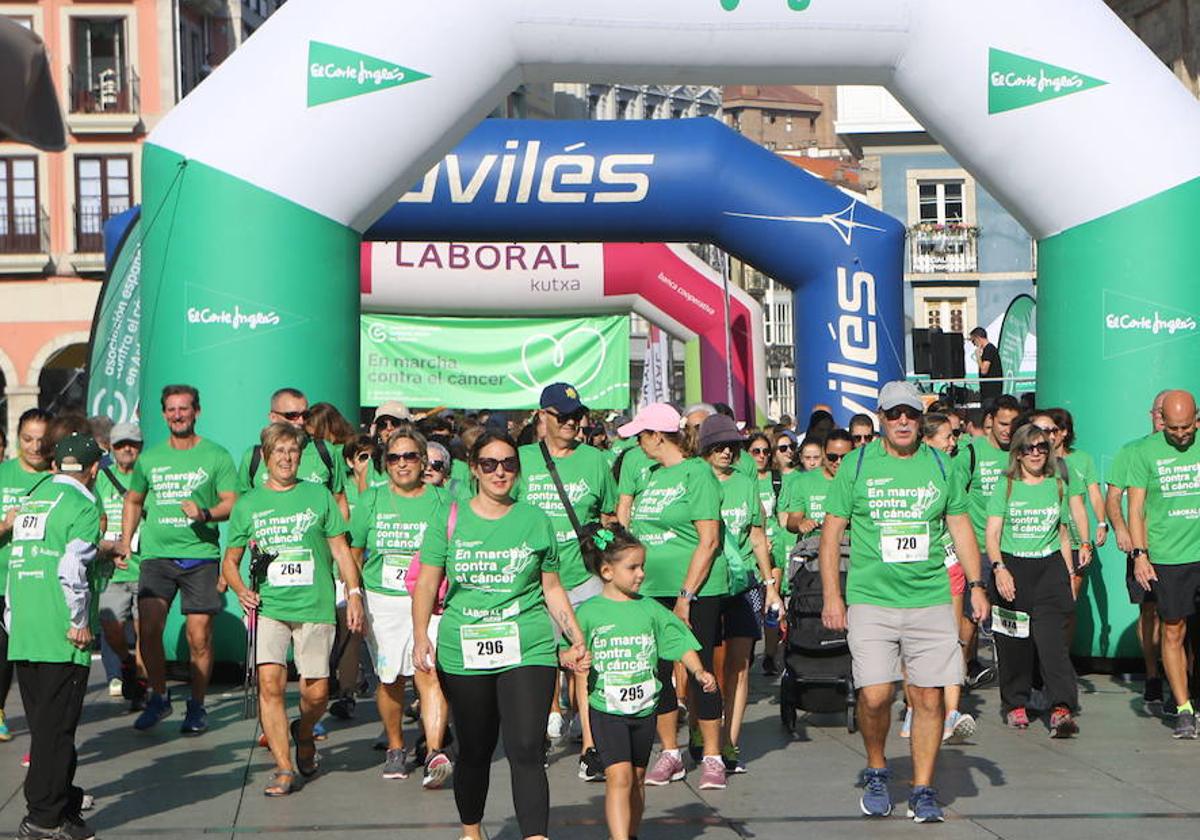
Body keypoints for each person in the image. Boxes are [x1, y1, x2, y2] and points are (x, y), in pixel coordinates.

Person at [819, 381, 989, 823]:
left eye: (910, 414)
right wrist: (832, 596)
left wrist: (976, 584)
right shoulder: (855, 466)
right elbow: (832, 532)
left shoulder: (939, 463)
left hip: (929, 597)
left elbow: (960, 525)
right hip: (871, 599)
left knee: (928, 698)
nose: (902, 421)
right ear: (880, 417)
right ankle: (877, 769)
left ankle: (922, 789)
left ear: (920, 418)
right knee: (875, 695)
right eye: (893, 414)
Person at [411, 431, 589, 840]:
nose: (499, 471)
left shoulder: (534, 519)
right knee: (475, 748)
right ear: (473, 469)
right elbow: (427, 583)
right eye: (489, 464)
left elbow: (552, 588)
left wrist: (574, 637)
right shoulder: (448, 517)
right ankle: (471, 830)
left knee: (527, 747)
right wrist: (421, 635)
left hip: (527, 643)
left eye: (508, 463)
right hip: (464, 646)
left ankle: (535, 836)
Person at [223, 423, 365, 796]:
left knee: (316, 692)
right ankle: (284, 768)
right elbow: (230, 559)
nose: (286, 458)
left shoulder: (317, 496)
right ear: (266, 457)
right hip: (268, 606)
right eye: (279, 451)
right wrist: (239, 590)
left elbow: (340, 549)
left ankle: (303, 734)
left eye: (292, 451)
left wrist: (353, 593)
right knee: (270, 686)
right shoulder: (249, 503)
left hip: (314, 605)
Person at [571, 522, 717, 840]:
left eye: (642, 567)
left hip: (643, 709)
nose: (641, 574)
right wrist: (573, 658)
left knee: (636, 778)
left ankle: (630, 834)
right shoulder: (590, 612)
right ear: (607, 571)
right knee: (619, 777)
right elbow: (568, 650)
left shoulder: (649, 609)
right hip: (606, 708)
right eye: (633, 567)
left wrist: (698, 671)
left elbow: (679, 639)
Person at [615, 404, 725, 790]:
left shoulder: (697, 474)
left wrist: (685, 596)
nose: (638, 444)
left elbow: (708, 541)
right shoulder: (649, 474)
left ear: (658, 436)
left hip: (694, 591)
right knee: (657, 672)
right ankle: (670, 752)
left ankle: (713, 755)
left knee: (700, 669)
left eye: (641, 436)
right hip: (649, 590)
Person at [118, 384, 238, 734]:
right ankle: (159, 696)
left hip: (199, 557)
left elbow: (231, 502)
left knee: (199, 637)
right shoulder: (150, 458)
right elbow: (133, 500)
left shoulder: (216, 455)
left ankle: (197, 705)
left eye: (183, 409)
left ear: (196, 412)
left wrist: (205, 513)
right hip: (157, 557)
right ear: (163, 414)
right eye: (171, 409)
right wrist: (127, 541)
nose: (177, 415)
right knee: (149, 631)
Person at [514, 383, 617, 777]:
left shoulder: (594, 460)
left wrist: (603, 553)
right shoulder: (521, 459)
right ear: (543, 417)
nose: (573, 423)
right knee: (540, 666)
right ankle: (538, 734)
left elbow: (609, 519)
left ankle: (591, 748)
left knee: (584, 663)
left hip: (584, 578)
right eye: (564, 416)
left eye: (577, 416)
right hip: (535, 582)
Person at [7, 433, 103, 840]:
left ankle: (60, 804)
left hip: (25, 629)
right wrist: (80, 620)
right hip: (61, 634)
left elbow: (16, 562)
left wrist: (13, 619)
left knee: (44, 726)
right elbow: (71, 569)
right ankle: (44, 817)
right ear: (94, 469)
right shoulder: (83, 504)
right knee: (56, 729)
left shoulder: (32, 501)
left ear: (54, 466)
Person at [349, 428, 453, 785]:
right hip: (384, 600)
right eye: (394, 458)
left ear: (423, 461)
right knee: (390, 678)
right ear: (385, 464)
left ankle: (434, 750)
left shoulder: (443, 501)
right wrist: (356, 595)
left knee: (429, 671)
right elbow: (354, 552)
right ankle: (396, 746)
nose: (402, 464)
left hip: (431, 599)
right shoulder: (371, 501)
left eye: (410, 456)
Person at [985, 423, 1086, 736]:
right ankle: (1016, 703)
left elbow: (1063, 532)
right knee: (1015, 643)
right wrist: (999, 568)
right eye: (1030, 448)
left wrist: (1069, 573)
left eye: (1042, 446)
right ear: (1018, 453)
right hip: (1014, 567)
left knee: (1052, 643)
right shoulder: (1006, 485)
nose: (1037, 453)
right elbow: (992, 533)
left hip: (1050, 568)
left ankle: (1061, 708)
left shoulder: (1057, 483)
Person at [697, 415, 784, 774]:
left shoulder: (746, 484)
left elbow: (758, 537)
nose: (726, 453)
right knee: (701, 666)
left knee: (740, 664)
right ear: (703, 449)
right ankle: (699, 732)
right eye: (718, 446)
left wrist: (770, 586)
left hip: (744, 582)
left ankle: (730, 744)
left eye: (732, 446)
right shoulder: (692, 481)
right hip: (704, 584)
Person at [1127, 389, 1200, 739]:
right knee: (1173, 629)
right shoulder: (1144, 452)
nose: (1182, 435)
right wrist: (1140, 554)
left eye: (1187, 428)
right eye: (1174, 429)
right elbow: (1135, 507)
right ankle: (1184, 707)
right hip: (1168, 557)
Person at [1106, 391, 1168, 714]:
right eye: (1159, 412)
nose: (1163, 418)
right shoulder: (1132, 451)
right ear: (1151, 415)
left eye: (1167, 413)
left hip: (1181, 547)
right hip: (1144, 547)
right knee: (1149, 611)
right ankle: (1153, 675)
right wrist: (1120, 528)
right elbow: (1114, 497)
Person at [916, 414, 975, 744]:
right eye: (947, 437)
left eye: (954, 436)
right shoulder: (913, 470)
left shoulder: (952, 470)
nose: (953, 442)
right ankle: (920, 710)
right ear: (927, 440)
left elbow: (959, 518)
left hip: (950, 561)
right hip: (918, 566)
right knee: (915, 643)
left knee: (951, 640)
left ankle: (951, 713)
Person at [956, 393, 1022, 687]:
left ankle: (1014, 674)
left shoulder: (1022, 453)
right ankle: (959, 673)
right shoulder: (972, 452)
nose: (1008, 429)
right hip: (978, 549)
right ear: (990, 422)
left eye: (1013, 424)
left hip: (1013, 547)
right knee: (972, 617)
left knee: (1011, 615)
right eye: (1003, 423)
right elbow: (954, 500)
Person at [0, 407, 53, 741]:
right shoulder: (4, 475)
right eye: (27, 439)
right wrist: (7, 523)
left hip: (38, 584)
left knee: (32, 662)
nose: (34, 447)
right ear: (17, 438)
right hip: (2, 578)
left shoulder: (57, 478)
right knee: (2, 652)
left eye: (41, 440)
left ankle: (41, 728)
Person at [95, 422, 147, 710]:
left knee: (145, 631)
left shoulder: (149, 476)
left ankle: (140, 685)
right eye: (120, 445)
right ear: (111, 449)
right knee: (112, 628)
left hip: (145, 565)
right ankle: (127, 664)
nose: (127, 449)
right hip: (112, 567)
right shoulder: (101, 478)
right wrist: (109, 549)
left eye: (133, 444)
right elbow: (94, 520)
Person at [236, 388, 347, 519]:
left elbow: (339, 500)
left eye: (305, 415)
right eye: (292, 415)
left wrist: (338, 537)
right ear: (273, 417)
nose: (300, 421)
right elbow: (242, 507)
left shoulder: (325, 451)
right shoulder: (253, 457)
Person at [750, 432, 789, 675]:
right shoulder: (743, 480)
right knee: (754, 604)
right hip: (752, 545)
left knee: (773, 601)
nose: (762, 456)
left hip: (776, 543)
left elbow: (782, 516)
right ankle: (749, 647)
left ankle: (771, 654)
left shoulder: (776, 479)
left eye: (766, 451)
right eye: (756, 451)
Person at [969, 327, 1004, 404]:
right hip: (988, 393)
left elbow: (984, 370)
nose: (974, 344)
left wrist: (978, 357)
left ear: (978, 338)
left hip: (991, 393)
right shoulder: (988, 349)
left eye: (973, 341)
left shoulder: (989, 349)